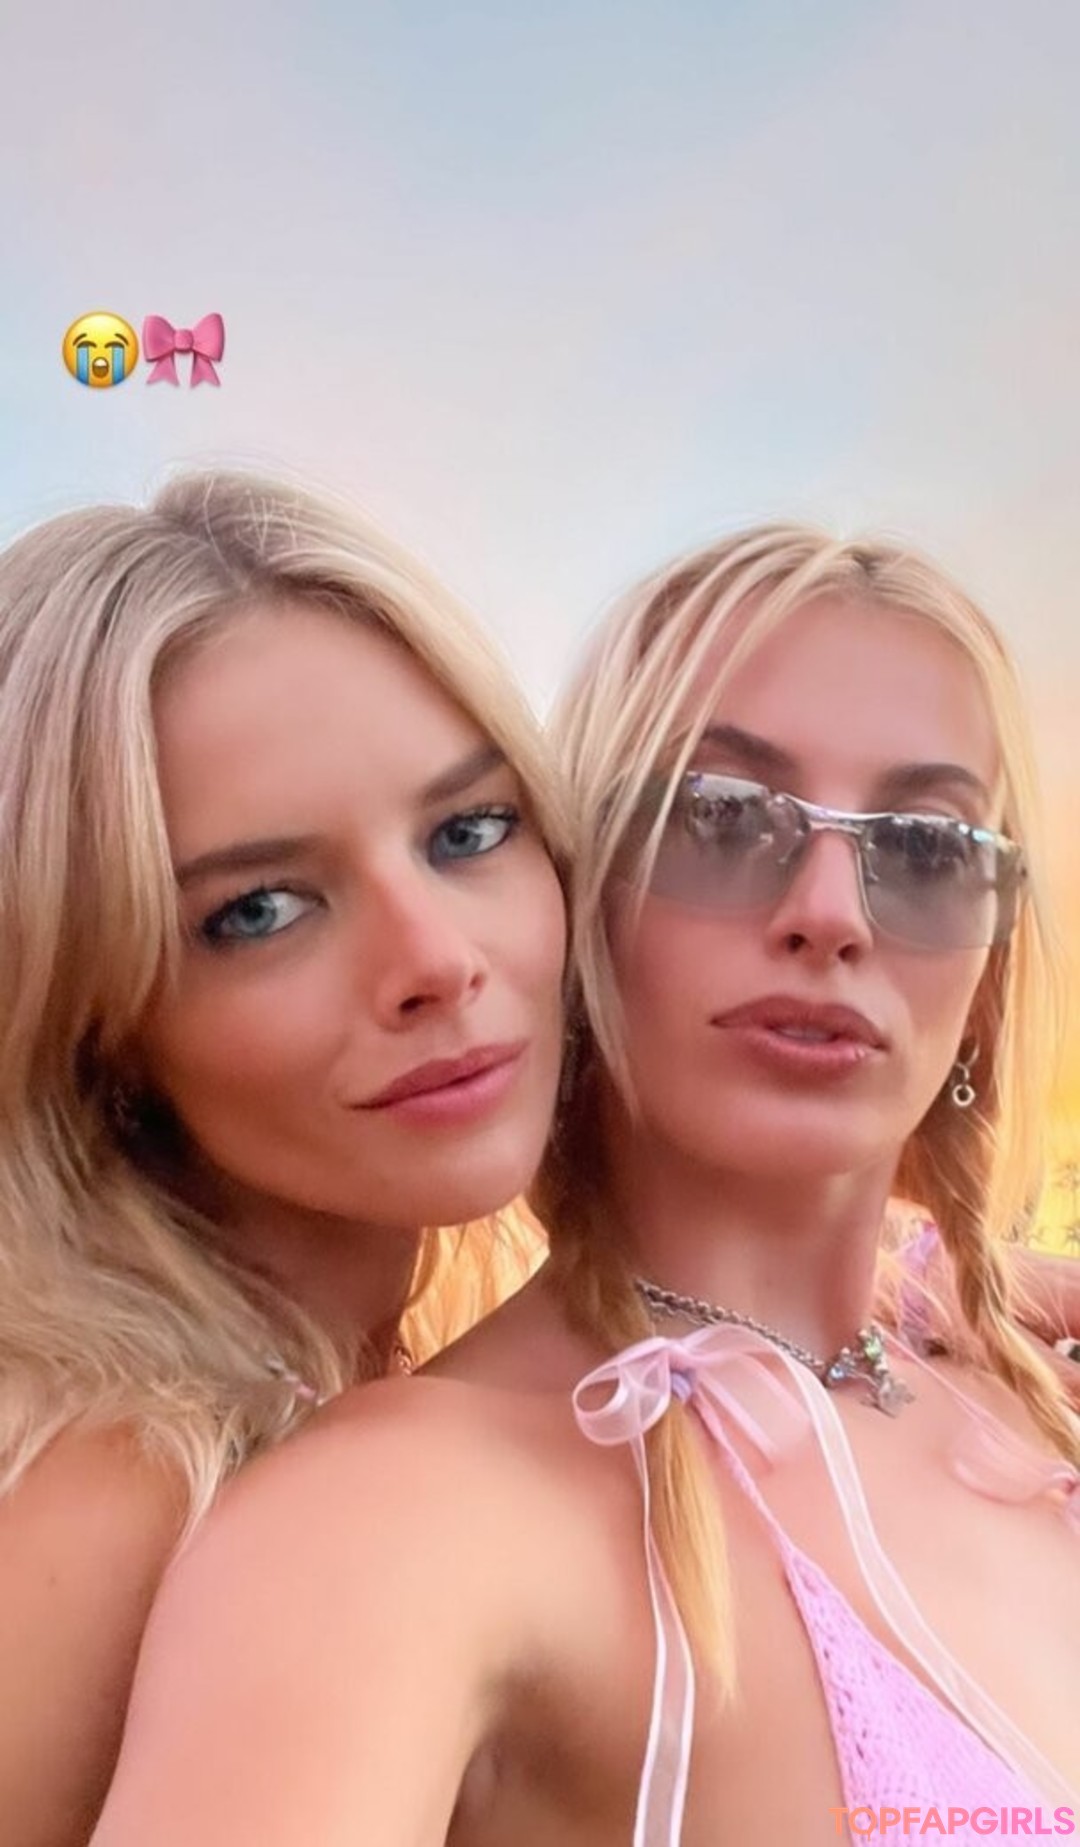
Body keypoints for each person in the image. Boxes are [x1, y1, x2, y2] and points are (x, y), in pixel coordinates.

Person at [93, 523, 1079, 1846]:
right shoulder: (395, 1518)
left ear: (991, 963)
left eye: (926, 848)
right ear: (578, 881)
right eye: (722, 818)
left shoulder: (1022, 1399)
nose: (833, 913)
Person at [0, 469, 568, 1845]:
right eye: (257, 910)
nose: (436, 960)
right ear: (93, 1020)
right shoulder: (120, 1490)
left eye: (467, 832)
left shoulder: (348, 1375)